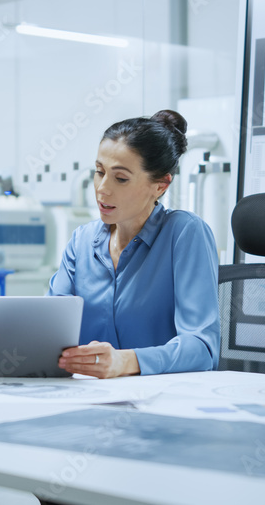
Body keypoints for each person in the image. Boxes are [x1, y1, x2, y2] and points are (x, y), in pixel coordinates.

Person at [48, 109, 220, 379]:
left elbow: (202, 348)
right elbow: (48, 327)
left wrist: (126, 361)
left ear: (161, 186)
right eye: (99, 172)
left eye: (121, 178)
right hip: (88, 399)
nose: (102, 188)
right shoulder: (82, 241)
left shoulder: (185, 233)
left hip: (163, 402)